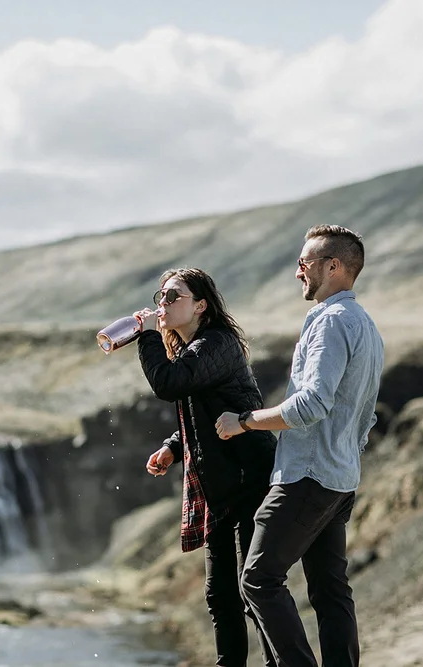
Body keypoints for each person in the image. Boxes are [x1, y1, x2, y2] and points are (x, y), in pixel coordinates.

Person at [214, 225, 384, 667]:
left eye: (304, 263)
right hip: (341, 478)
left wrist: (245, 422)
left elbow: (310, 405)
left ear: (334, 266)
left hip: (306, 476)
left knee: (257, 579)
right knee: (330, 591)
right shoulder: (367, 326)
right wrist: (342, 453)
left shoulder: (329, 321)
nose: (298, 273)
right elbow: (366, 416)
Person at [134, 267, 278, 667]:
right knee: (220, 596)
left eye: (171, 297)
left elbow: (169, 384)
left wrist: (145, 335)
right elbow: (203, 415)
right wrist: (172, 448)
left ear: (200, 305)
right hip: (218, 487)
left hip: (250, 480)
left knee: (256, 591)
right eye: (158, 297)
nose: (160, 304)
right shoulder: (190, 349)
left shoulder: (216, 343)